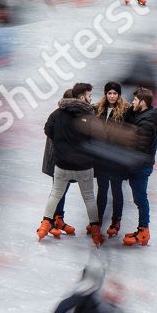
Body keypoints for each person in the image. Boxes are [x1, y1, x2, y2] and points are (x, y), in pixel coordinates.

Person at [39, 83, 102, 245]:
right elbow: (100, 138)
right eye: (89, 95)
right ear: (82, 97)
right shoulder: (90, 116)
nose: (90, 98)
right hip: (84, 165)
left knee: (55, 193)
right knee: (88, 197)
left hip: (62, 164)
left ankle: (45, 223)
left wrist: (61, 145)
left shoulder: (58, 114)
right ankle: (95, 229)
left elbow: (48, 130)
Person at [93, 82, 132, 239]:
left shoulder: (126, 111)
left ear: (119, 95)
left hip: (116, 159)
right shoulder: (99, 109)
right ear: (105, 94)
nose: (112, 96)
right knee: (102, 189)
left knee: (116, 189)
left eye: (115, 93)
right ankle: (98, 219)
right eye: (109, 93)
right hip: (102, 157)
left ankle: (116, 220)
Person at [123, 86, 157, 247]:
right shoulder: (143, 116)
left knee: (140, 198)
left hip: (140, 165)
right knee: (139, 198)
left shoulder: (147, 123)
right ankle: (142, 228)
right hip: (137, 164)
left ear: (143, 102)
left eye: (135, 100)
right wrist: (131, 110)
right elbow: (131, 121)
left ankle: (144, 231)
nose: (133, 102)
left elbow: (139, 145)